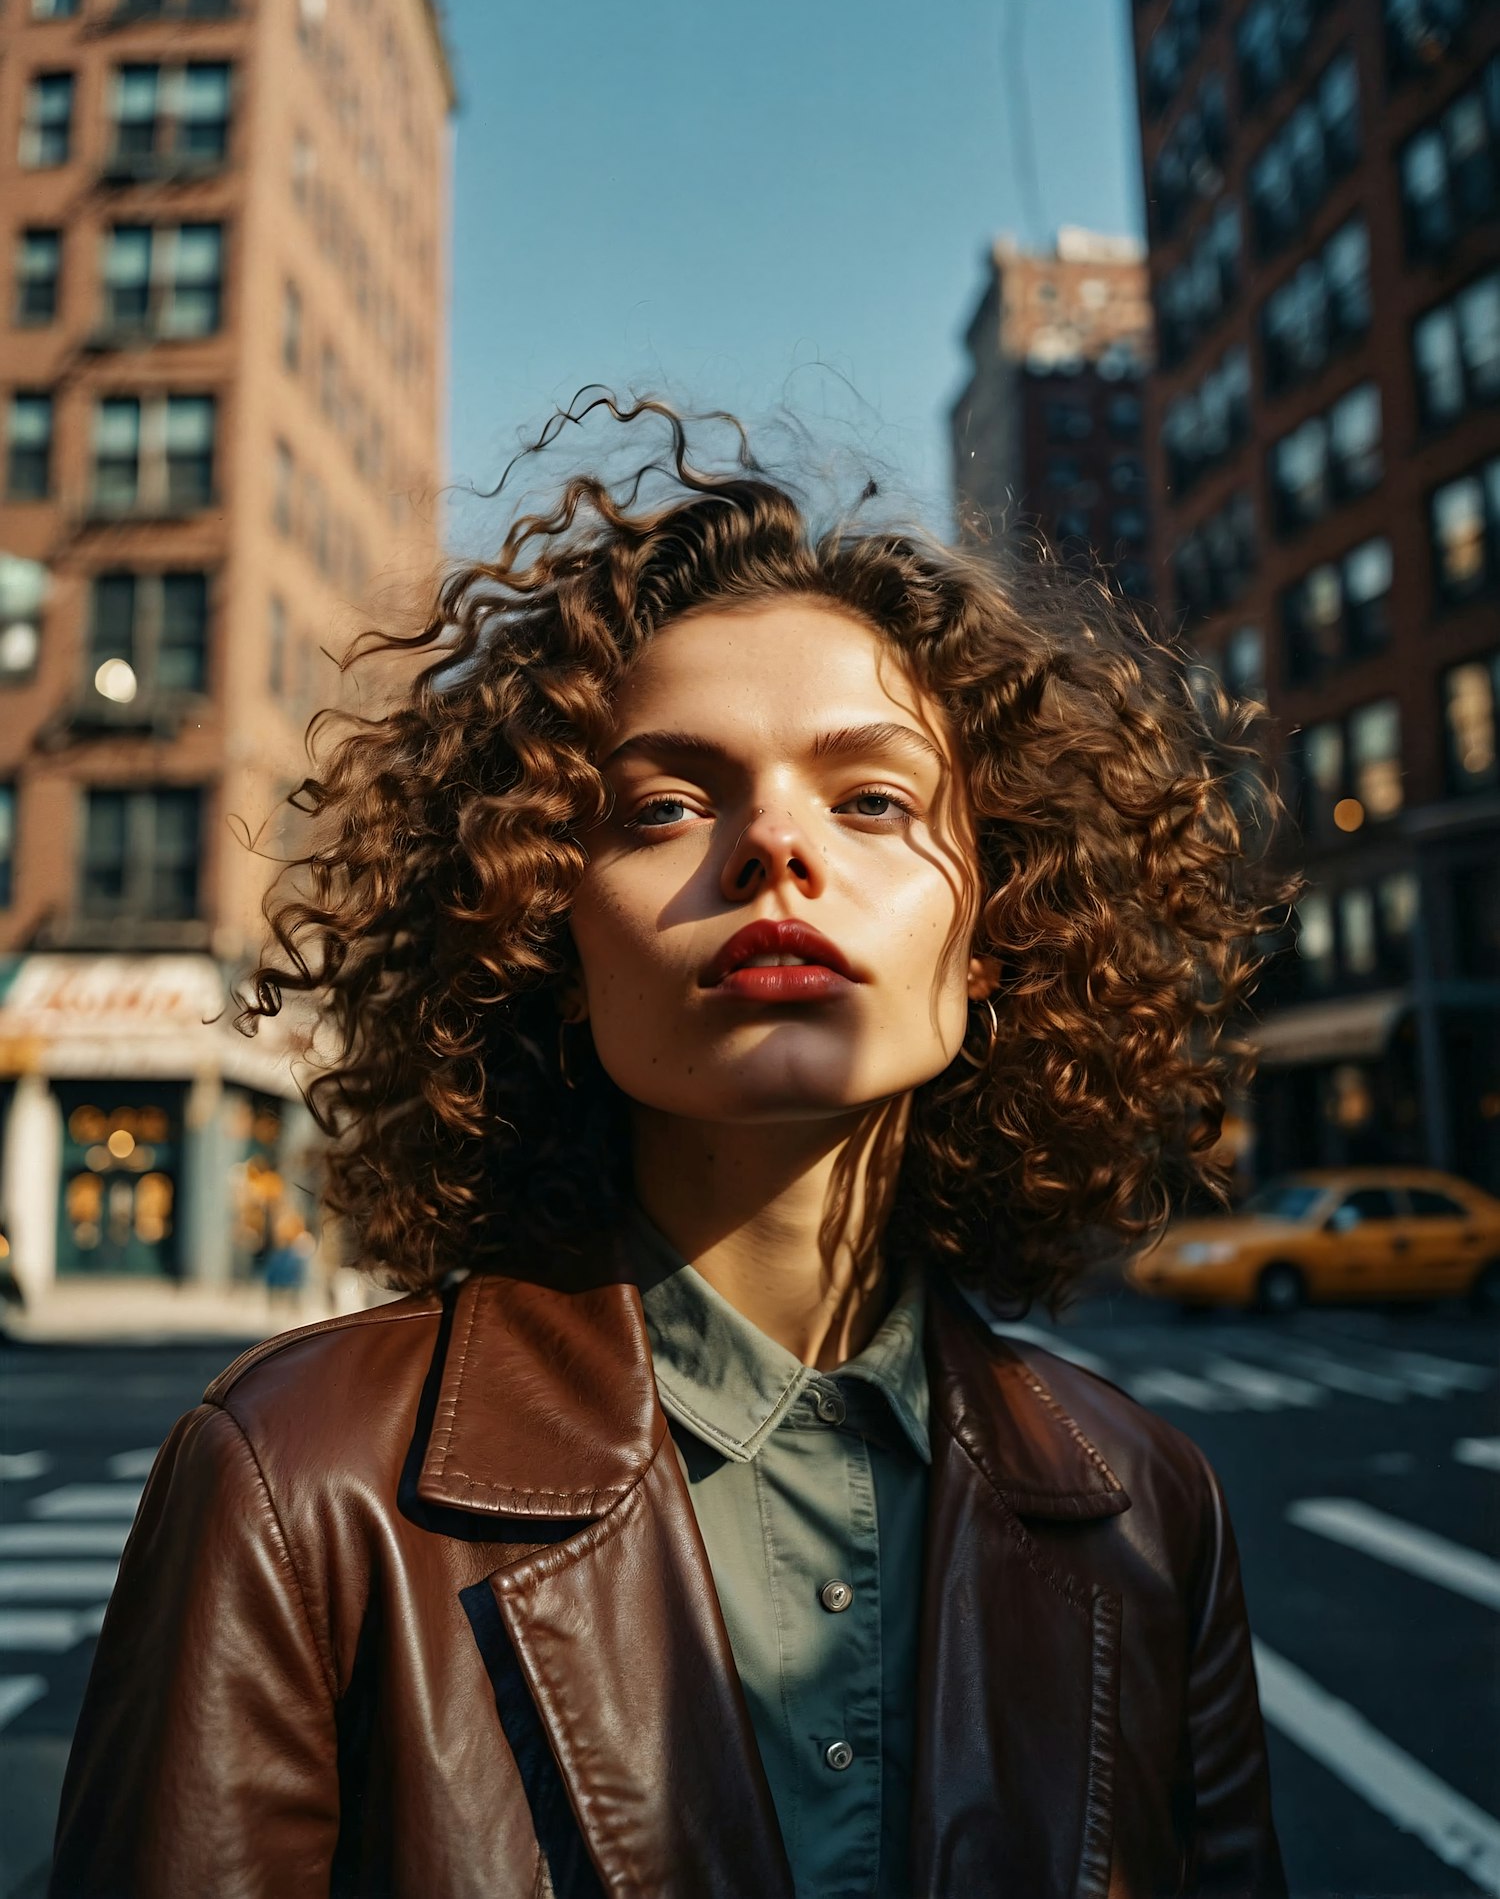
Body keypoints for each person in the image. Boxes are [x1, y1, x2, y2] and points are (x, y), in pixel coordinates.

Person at [52, 398, 1296, 1898]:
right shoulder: (297, 1481)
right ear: (547, 934)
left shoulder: (1150, 1505)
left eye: (874, 798)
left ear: (993, 933)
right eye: (665, 803)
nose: (778, 845)